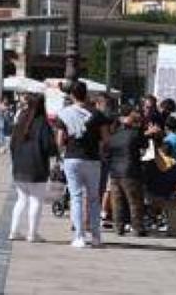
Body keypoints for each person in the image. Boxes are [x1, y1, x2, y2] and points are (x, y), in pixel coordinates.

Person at [57, 81, 111, 249]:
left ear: (72, 95)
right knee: (94, 198)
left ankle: (79, 236)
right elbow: (107, 139)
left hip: (72, 158)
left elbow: (59, 141)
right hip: (93, 159)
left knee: (76, 197)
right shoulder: (97, 114)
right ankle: (96, 237)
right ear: (86, 94)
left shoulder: (64, 113)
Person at [7, 93, 56, 243]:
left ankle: (14, 231)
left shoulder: (21, 119)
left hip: (19, 166)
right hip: (37, 166)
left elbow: (12, 144)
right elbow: (49, 146)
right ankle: (32, 233)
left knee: (21, 200)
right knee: (36, 200)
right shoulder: (42, 123)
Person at [106, 104, 148, 237]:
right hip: (130, 171)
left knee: (117, 201)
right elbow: (145, 144)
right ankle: (137, 227)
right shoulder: (135, 134)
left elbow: (107, 154)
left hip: (115, 172)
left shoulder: (114, 135)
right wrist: (142, 128)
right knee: (134, 201)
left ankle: (118, 227)